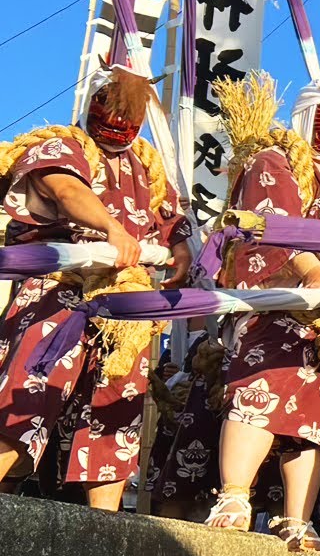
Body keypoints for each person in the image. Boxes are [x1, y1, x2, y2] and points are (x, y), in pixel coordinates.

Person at [202, 74, 320, 551]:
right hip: (284, 303)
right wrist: (309, 271)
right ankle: (234, 496)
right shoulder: (274, 159)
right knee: (264, 391)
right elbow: (267, 224)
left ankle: (296, 521)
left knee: (317, 417)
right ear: (308, 111)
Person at [0, 62, 192, 510]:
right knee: (25, 399)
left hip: (124, 304)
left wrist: (180, 247)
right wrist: (112, 228)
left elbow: (169, 219)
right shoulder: (62, 145)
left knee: (115, 414)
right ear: (93, 106)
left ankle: (105, 521)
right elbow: (66, 189)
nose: (119, 126)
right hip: (57, 292)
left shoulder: (146, 164)